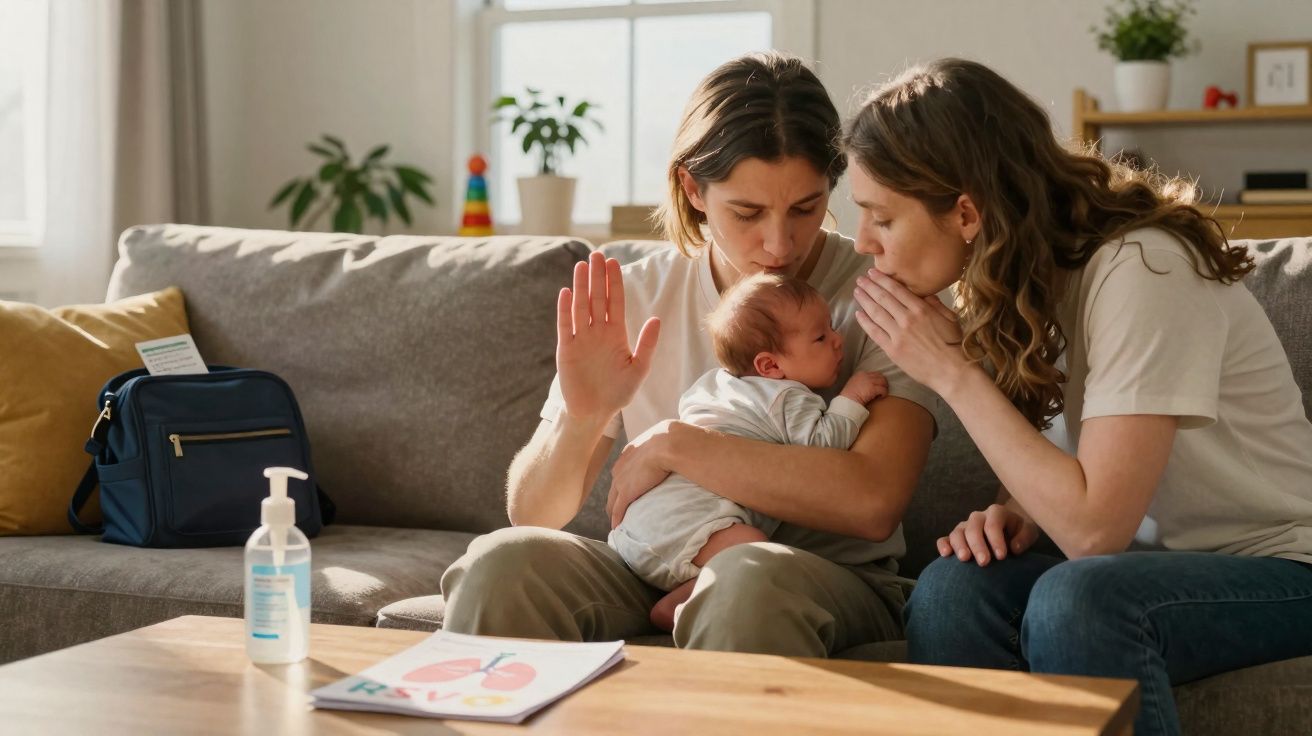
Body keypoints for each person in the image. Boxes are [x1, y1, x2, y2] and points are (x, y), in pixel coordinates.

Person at [843, 58, 1312, 736]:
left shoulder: (1144, 267)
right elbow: (1085, 462)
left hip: (1281, 565)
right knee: (951, 591)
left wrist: (952, 373)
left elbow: (1095, 530)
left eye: (880, 218)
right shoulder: (1022, 280)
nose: (863, 244)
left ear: (967, 212)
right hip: (1142, 566)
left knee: (1080, 601)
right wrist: (1016, 511)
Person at [440, 51, 938, 657]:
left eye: (805, 208)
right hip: (652, 565)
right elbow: (534, 513)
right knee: (501, 562)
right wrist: (583, 415)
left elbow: (871, 503)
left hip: (819, 580)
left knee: (743, 579)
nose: (779, 244)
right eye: (747, 212)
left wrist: (678, 445)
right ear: (693, 189)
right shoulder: (635, 296)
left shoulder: (885, 297)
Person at [610, 273, 890, 631]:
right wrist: (851, 399)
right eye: (821, 337)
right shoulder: (786, 397)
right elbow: (823, 446)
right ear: (769, 366)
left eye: (831, 329)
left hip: (637, 531)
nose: (838, 341)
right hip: (694, 526)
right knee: (754, 552)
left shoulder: (714, 386)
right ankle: (679, 603)